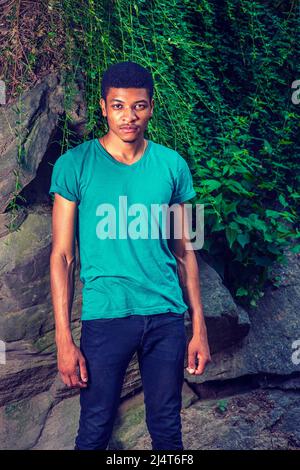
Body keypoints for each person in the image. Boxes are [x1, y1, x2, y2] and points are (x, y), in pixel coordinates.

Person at [49, 61, 211, 451]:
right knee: (95, 429)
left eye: (138, 106)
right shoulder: (75, 165)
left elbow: (185, 250)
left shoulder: (173, 166)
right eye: (119, 106)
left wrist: (198, 327)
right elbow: (63, 256)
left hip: (165, 317)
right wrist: (63, 339)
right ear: (103, 107)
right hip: (106, 317)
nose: (129, 116)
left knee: (168, 430)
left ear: (151, 107)